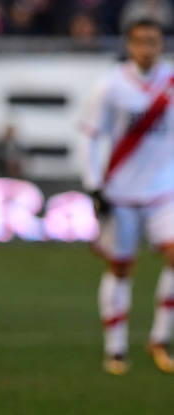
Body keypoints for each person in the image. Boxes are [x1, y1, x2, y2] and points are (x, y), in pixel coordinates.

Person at [79, 16, 174, 375]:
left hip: (165, 189)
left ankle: (160, 338)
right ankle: (115, 349)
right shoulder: (110, 85)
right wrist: (93, 184)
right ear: (129, 45)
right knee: (120, 269)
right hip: (120, 191)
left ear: (161, 44)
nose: (146, 48)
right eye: (140, 41)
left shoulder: (171, 81)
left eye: (153, 41)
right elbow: (90, 135)